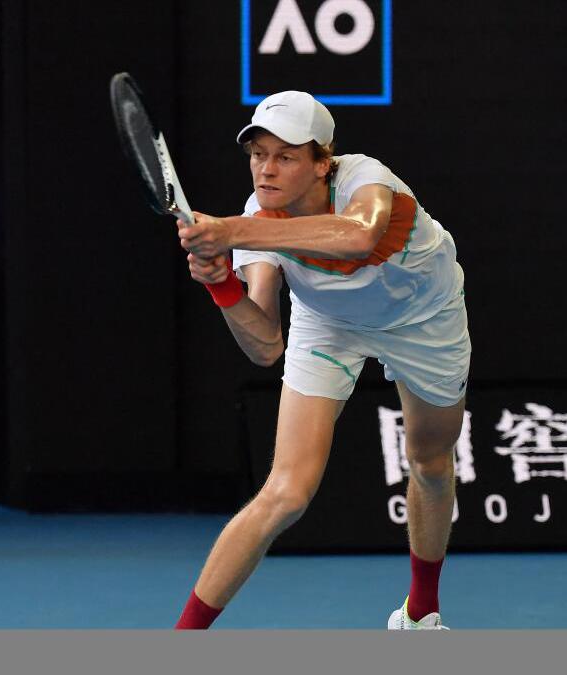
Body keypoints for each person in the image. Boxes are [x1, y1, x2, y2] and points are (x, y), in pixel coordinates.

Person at [172, 91, 470, 630]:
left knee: (428, 461)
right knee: (285, 492)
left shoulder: (366, 178)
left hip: (425, 315)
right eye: (258, 154)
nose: (267, 169)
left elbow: (358, 235)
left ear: (321, 163)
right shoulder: (255, 218)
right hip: (329, 320)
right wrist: (223, 288)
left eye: (285, 156)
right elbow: (265, 344)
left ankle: (420, 613)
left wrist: (231, 231)